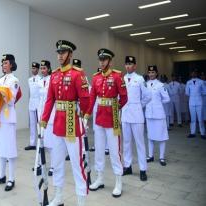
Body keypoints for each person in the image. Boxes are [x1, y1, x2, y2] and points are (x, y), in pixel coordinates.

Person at [41, 40, 89, 206]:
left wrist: (83, 116)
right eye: (58, 52)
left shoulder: (78, 74)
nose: (60, 55)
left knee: (77, 165)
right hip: (58, 124)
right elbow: (49, 100)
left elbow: (85, 99)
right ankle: (59, 196)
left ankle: (81, 200)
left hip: (72, 122)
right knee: (57, 162)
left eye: (63, 52)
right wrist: (44, 120)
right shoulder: (54, 75)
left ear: (70, 54)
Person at [84, 48, 127, 197]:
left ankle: (118, 181)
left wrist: (116, 108)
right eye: (100, 60)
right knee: (99, 150)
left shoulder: (117, 76)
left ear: (110, 60)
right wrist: (86, 114)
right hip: (99, 118)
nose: (101, 62)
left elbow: (124, 97)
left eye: (104, 60)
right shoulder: (96, 77)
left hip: (112, 117)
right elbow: (92, 98)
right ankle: (100, 178)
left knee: (115, 151)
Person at [0, 54, 20, 191]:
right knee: (1, 147)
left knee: (10, 149)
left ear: (12, 64)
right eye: (2, 63)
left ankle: (11, 178)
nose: (3, 65)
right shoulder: (0, 79)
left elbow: (12, 99)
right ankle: (1, 175)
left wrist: (1, 93)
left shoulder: (14, 80)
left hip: (8, 116)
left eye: (6, 62)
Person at [121, 56, 151, 181]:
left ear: (135, 66)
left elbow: (147, 96)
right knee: (126, 142)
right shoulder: (121, 78)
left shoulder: (139, 79)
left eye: (130, 64)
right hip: (125, 115)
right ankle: (127, 166)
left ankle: (143, 169)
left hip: (137, 115)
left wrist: (138, 105)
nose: (128, 66)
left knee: (140, 143)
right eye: (126, 64)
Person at [145, 66, 170, 166]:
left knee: (161, 136)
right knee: (150, 136)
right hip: (149, 114)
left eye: (153, 72)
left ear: (156, 73)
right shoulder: (145, 85)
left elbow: (167, 99)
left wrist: (158, 103)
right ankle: (150, 156)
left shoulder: (160, 85)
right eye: (149, 72)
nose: (151, 74)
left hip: (159, 114)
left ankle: (162, 157)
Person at [38, 60, 55, 176]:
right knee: (41, 141)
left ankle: (53, 166)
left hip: (50, 114)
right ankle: (39, 164)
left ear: (49, 69)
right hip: (40, 113)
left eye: (44, 68)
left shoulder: (52, 80)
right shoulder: (39, 81)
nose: (43, 70)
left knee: (51, 143)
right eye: (41, 68)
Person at [25, 62, 41, 150]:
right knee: (32, 124)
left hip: (38, 104)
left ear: (38, 69)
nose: (33, 70)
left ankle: (41, 143)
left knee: (39, 124)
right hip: (31, 103)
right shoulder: (29, 79)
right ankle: (32, 143)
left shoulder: (41, 79)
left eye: (35, 68)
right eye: (32, 68)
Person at [186, 70, 206, 139]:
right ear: (191, 74)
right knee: (193, 118)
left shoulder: (201, 81)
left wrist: (198, 94)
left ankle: (203, 133)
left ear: (197, 73)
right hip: (191, 102)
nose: (193, 73)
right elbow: (187, 93)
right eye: (192, 72)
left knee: (200, 118)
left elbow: (204, 91)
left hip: (199, 102)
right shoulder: (188, 82)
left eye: (195, 72)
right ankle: (192, 133)